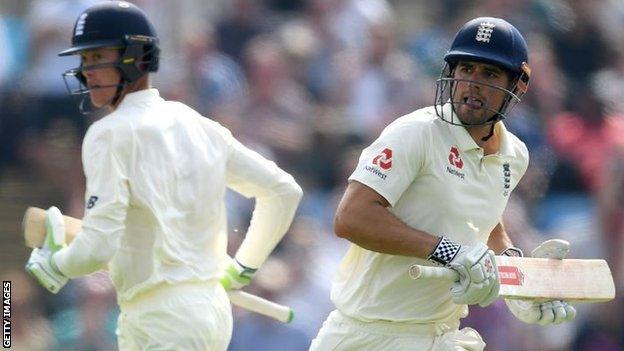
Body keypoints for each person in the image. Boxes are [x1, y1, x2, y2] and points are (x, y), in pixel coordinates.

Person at [24, 2, 303, 350]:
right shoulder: (199, 125)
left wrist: (57, 263)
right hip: (205, 312)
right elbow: (282, 192)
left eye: (97, 58)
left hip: (162, 320)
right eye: (83, 61)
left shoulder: (108, 133)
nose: (86, 72)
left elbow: (98, 246)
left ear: (137, 58)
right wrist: (243, 268)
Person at [310, 17, 576, 351]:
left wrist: (516, 274)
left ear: (519, 84)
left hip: (440, 335)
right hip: (366, 335)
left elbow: (484, 218)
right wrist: (448, 252)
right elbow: (350, 217)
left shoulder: (515, 155)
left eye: (489, 74)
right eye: (466, 69)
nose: (472, 84)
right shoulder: (416, 133)